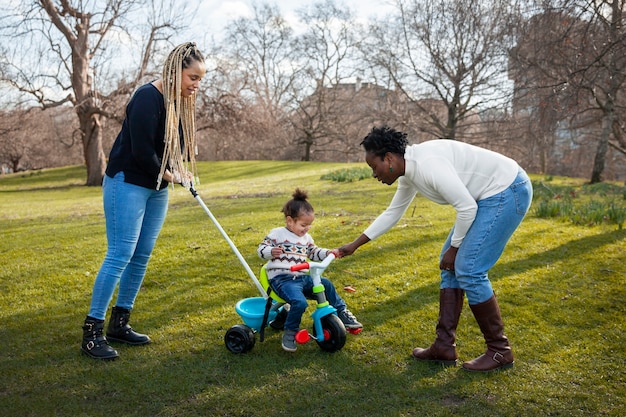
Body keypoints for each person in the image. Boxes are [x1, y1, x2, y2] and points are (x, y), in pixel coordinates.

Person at [338, 126, 532, 372]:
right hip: (485, 197)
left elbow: (466, 208)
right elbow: (393, 213)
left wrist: (455, 248)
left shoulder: (428, 164)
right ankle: (444, 346)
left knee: (469, 268)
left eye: (373, 166)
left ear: (389, 158)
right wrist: (354, 245)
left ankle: (499, 351)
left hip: (507, 189)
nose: (374, 174)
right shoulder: (409, 171)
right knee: (449, 265)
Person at [81, 42, 206, 360]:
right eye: (193, 77)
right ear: (175, 71)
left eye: (200, 79)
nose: (196, 85)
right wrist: (171, 176)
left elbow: (170, 148)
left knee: (141, 255)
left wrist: (180, 170)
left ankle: (119, 325)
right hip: (127, 182)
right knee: (120, 253)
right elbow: (142, 152)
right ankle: (92, 333)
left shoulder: (178, 102)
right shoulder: (146, 97)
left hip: (155, 188)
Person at [258, 188, 362, 352]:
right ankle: (290, 332)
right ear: (290, 221)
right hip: (282, 279)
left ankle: (342, 312)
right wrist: (271, 251)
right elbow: (261, 249)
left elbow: (313, 253)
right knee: (299, 303)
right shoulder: (277, 234)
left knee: (326, 285)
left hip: (300, 277)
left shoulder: (306, 239)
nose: (307, 229)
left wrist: (328, 252)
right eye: (303, 225)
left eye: (309, 225)